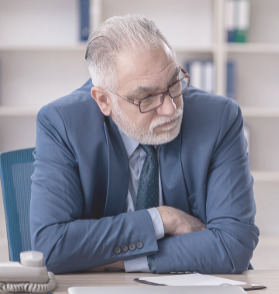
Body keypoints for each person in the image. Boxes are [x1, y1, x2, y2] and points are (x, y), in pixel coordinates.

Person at [30, 14, 259, 274]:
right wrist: (162, 220)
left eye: (174, 83)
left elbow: (233, 246)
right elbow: (52, 247)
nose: (171, 108)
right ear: (104, 100)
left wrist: (111, 260)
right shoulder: (62, 124)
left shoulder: (219, 118)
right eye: (147, 98)